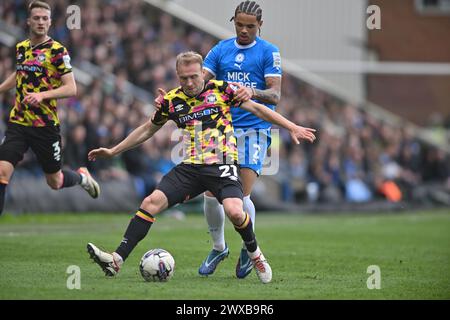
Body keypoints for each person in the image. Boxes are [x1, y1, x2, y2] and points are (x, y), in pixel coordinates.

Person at [86, 51, 316, 284]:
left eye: (193, 77)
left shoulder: (221, 89)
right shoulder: (171, 101)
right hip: (191, 168)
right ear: (177, 75)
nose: (189, 82)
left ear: (202, 74)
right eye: (183, 78)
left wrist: (291, 126)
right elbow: (147, 129)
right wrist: (113, 150)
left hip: (223, 166)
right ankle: (116, 260)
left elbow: (258, 109)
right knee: (149, 203)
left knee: (236, 211)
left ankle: (255, 254)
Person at [200, 0, 284, 278]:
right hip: (221, 130)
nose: (244, 30)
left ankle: (248, 250)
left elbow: (274, 95)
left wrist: (251, 92)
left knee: (240, 194)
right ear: (233, 21)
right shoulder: (220, 50)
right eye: (239, 24)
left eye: (250, 26)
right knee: (211, 194)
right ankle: (218, 247)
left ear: (260, 25)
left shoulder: (269, 52)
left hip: (254, 130)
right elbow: (199, 82)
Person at [0, 1, 100, 216]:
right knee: (2, 172)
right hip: (18, 122)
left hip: (44, 126)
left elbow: (71, 88)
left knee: (54, 181)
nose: (41, 22)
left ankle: (82, 177)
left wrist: (42, 95)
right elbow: (19, 74)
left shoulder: (57, 51)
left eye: (45, 18)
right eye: (36, 18)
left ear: (50, 22)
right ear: (28, 21)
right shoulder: (21, 48)